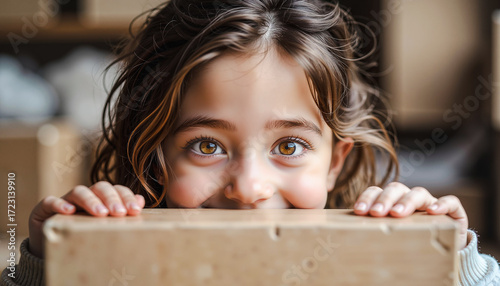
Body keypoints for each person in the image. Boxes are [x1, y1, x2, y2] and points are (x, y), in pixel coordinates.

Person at [2, 0, 499, 285]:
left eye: (288, 147)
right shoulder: (124, 266)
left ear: (333, 163)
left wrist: (454, 261)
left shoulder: (366, 266)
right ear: (154, 156)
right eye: (207, 145)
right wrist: (46, 264)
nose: (250, 188)